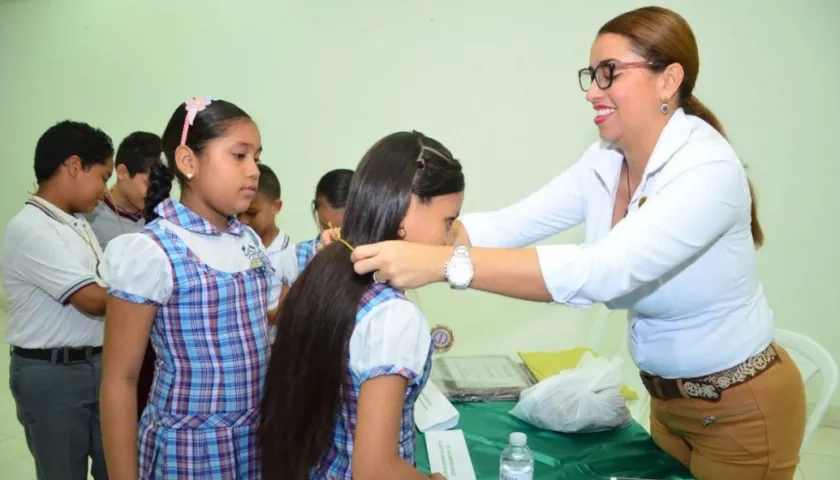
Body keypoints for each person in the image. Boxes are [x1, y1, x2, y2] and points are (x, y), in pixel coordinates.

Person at [345, 7, 806, 480]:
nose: (592, 91)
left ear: (668, 80)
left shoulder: (708, 171)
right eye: (591, 74)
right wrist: (370, 240)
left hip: (739, 411)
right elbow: (512, 224)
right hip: (669, 405)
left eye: (610, 72)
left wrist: (443, 264)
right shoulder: (605, 160)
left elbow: (603, 271)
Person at [259, 131, 459, 480]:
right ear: (405, 213)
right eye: (449, 221)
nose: (449, 239)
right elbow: (376, 469)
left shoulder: (326, 268)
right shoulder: (395, 316)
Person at [98, 96, 271, 479]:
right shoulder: (152, 251)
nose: (253, 170)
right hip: (191, 448)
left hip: (253, 439)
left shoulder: (248, 241)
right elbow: (119, 381)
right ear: (188, 161)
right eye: (239, 155)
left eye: (256, 157)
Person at [2, 120, 114, 480]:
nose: (105, 191)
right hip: (53, 376)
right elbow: (92, 300)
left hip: (96, 365)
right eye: (103, 177)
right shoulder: (32, 228)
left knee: (115, 467)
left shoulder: (75, 223)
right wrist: (154, 292)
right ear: (75, 166)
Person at [84, 130, 163, 418]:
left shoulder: (156, 220)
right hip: (103, 341)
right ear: (122, 172)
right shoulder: (90, 217)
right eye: (147, 183)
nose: (153, 193)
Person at [275, 168, 353, 302]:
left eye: (344, 229)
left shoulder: (375, 258)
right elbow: (284, 312)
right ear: (316, 212)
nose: (334, 235)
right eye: (325, 226)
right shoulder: (297, 256)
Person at [238, 162, 290, 340]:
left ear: (276, 207)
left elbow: (286, 313)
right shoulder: (237, 246)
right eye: (239, 213)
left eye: (252, 213)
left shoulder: (290, 254)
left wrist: (251, 313)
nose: (243, 221)